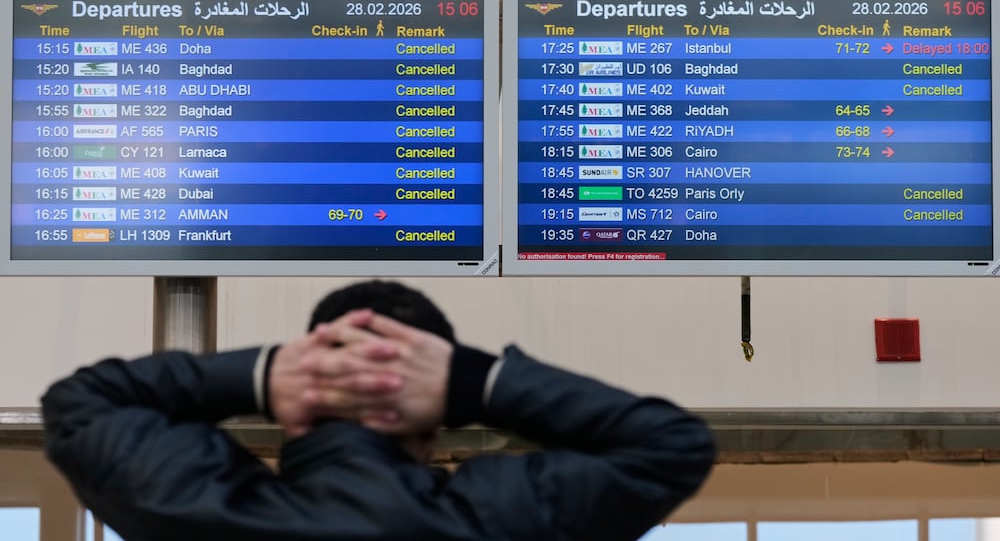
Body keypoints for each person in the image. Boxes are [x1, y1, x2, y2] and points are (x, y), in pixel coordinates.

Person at [42, 280, 716, 541]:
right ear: (435, 419)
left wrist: (261, 372)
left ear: (293, 406)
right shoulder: (502, 520)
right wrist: (476, 381)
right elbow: (670, 445)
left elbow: (78, 405)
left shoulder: (199, 509)